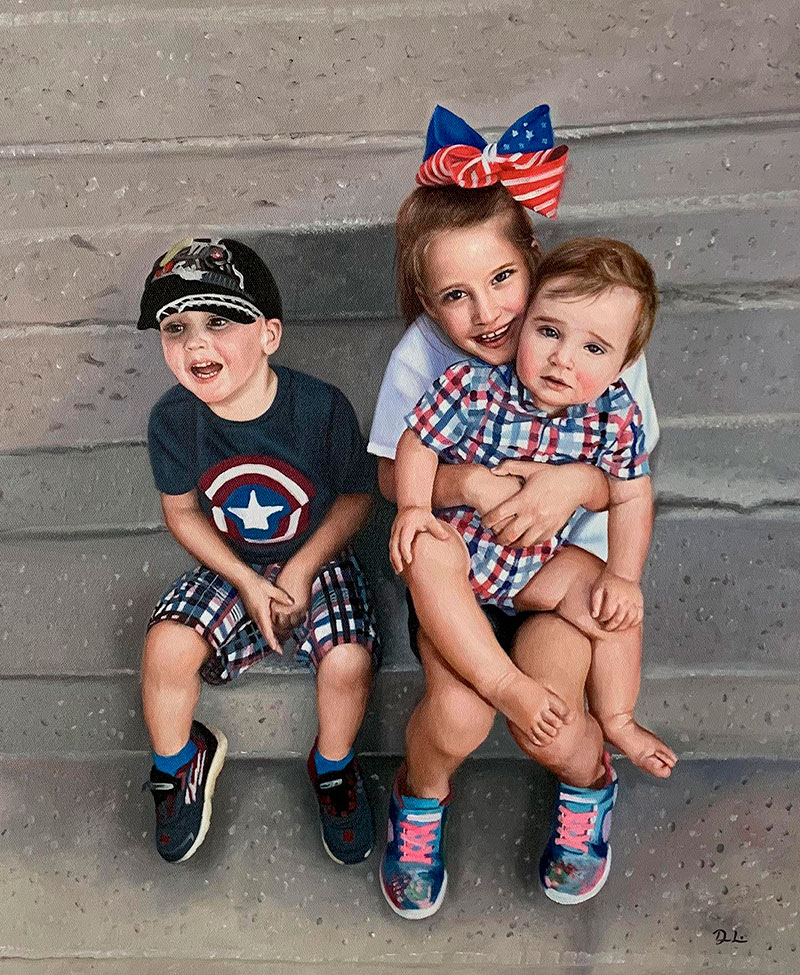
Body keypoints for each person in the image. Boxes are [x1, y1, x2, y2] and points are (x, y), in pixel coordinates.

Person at [369, 106, 661, 917]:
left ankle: (590, 779)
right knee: (458, 716)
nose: (489, 314)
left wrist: (569, 484)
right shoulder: (436, 366)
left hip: (550, 569)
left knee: (554, 718)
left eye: (503, 281)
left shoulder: (592, 332)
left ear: (534, 258)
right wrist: (463, 490)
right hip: (461, 570)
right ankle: (419, 795)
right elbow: (402, 471)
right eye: (456, 296)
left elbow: (628, 478)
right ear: (427, 303)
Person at [391, 236, 677, 777]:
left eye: (593, 349)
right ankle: (503, 683)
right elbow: (418, 441)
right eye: (548, 331)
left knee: (610, 602)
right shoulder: (472, 386)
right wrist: (412, 507)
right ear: (526, 321)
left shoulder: (615, 414)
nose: (562, 359)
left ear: (624, 362)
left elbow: (631, 492)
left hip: (538, 562)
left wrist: (623, 574)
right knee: (426, 551)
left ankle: (616, 719)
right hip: (464, 558)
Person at [137, 237, 380, 868]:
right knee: (165, 648)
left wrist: (300, 568)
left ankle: (332, 769)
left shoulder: (318, 408)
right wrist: (244, 579)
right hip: (231, 561)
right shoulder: (172, 420)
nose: (195, 345)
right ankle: (178, 763)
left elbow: (357, 497)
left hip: (316, 557)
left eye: (218, 322)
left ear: (269, 334)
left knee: (348, 660)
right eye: (176, 328)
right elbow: (184, 511)